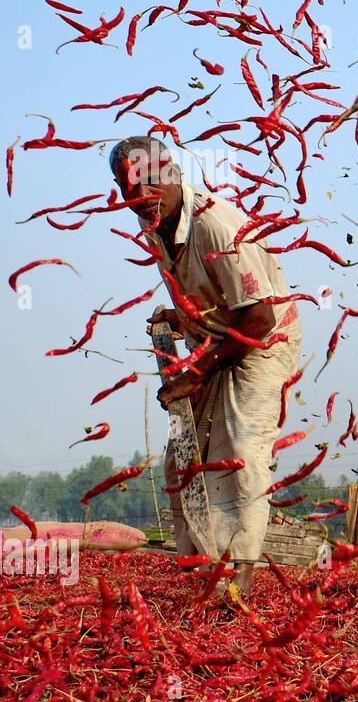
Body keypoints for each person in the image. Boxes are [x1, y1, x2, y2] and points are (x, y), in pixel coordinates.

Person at [109, 136, 301, 601]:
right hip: (217, 340)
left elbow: (258, 317)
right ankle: (200, 569)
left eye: (149, 184)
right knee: (185, 454)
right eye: (128, 188)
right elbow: (206, 295)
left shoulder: (215, 223)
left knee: (239, 449)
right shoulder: (155, 225)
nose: (139, 198)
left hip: (263, 343)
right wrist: (183, 319)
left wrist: (195, 373)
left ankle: (243, 575)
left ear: (172, 175)